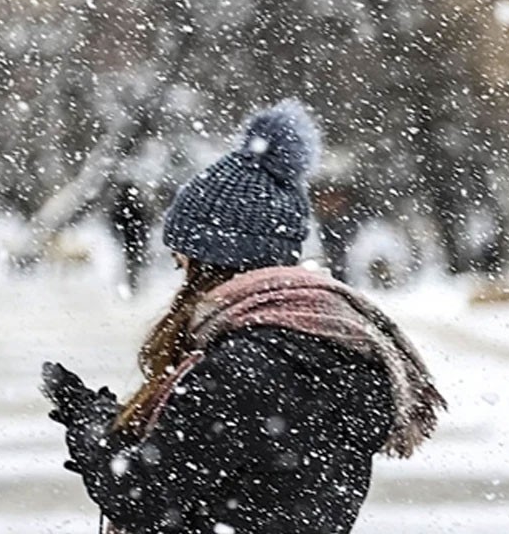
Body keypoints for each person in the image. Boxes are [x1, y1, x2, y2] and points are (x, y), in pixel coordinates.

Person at [41, 101, 445, 534]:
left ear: (215, 259)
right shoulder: (329, 344)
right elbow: (227, 463)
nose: (182, 276)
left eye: (184, 262)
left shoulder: (242, 367)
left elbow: (143, 496)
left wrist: (88, 423)